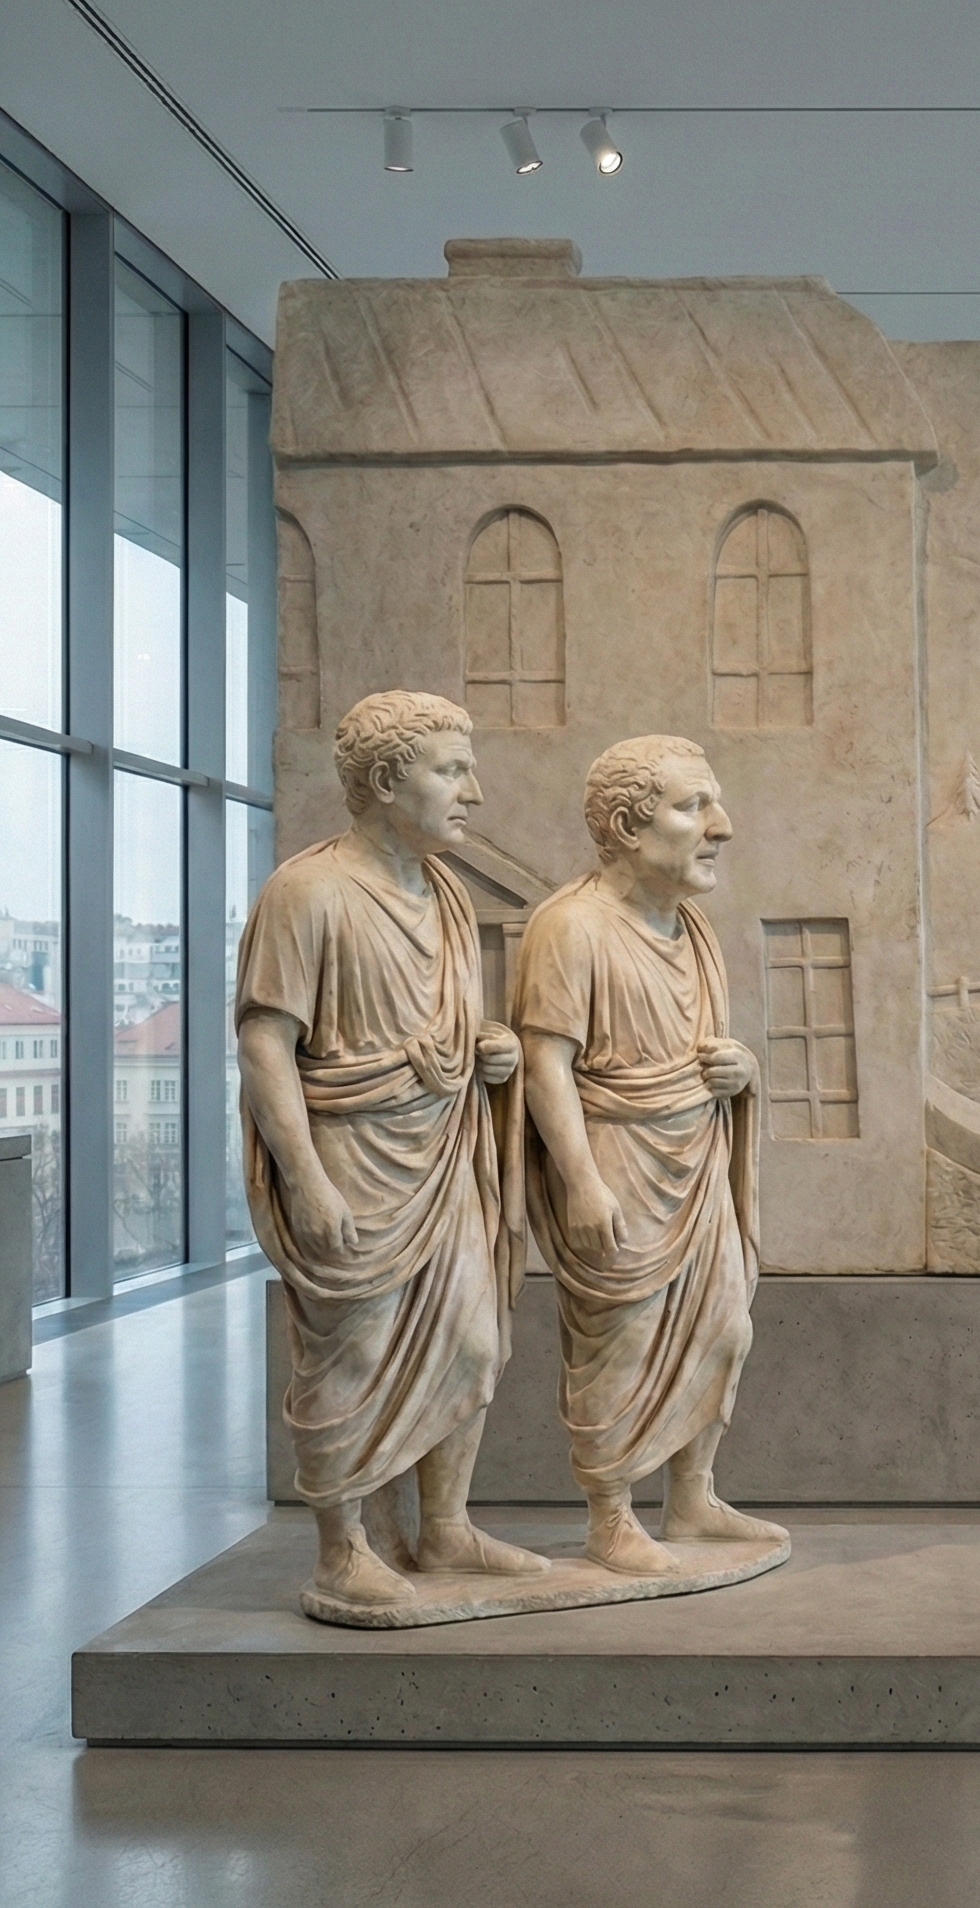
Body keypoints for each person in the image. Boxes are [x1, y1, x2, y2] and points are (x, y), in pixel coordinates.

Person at [237, 690, 543, 1612]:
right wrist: (307, 1180)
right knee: (351, 1356)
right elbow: (265, 1043)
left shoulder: (445, 893)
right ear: (383, 781)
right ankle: (342, 1550)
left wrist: (484, 1049)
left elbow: (438, 1026)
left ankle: (443, 1528)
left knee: (473, 1343)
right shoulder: (308, 891)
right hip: (352, 1157)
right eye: (452, 771)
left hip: (443, 1151)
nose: (473, 793)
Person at [514, 735, 786, 1573]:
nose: (721, 826)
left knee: (724, 1327)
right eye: (693, 807)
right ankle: (611, 1515)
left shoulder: (691, 928)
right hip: (617, 1159)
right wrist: (580, 1181)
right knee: (619, 1342)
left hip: (695, 1157)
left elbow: (704, 1046)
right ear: (630, 828)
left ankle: (692, 1498)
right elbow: (544, 1063)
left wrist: (741, 1070)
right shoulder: (570, 926)